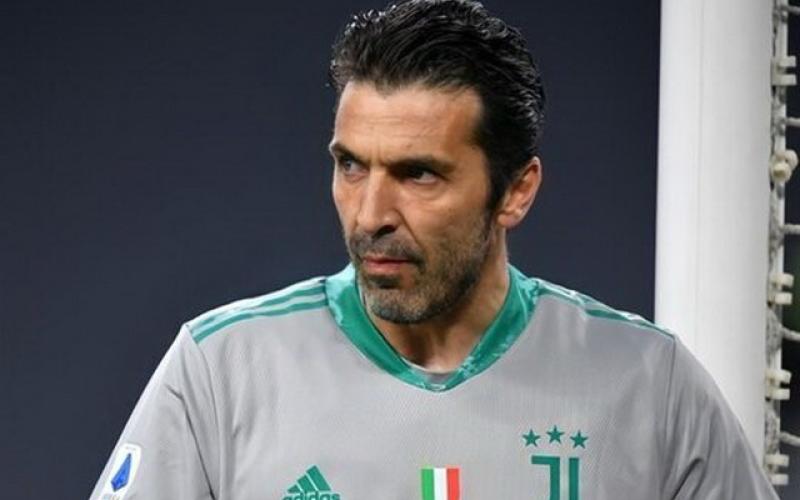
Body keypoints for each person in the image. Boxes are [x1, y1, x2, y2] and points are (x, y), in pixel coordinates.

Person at [90, 1, 779, 499]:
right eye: (351, 165)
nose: (370, 215)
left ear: (516, 191)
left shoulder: (651, 387)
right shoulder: (218, 372)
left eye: (418, 174)